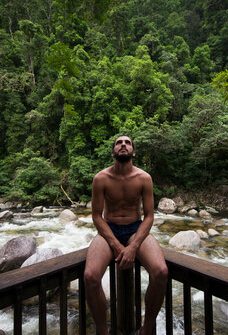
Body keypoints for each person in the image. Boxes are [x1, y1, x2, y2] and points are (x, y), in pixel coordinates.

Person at [84, 135, 168, 335]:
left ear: (133, 152)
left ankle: (147, 328)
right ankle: (103, 330)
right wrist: (115, 244)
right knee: (90, 276)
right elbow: (96, 216)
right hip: (109, 228)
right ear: (113, 152)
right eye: (119, 143)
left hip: (135, 228)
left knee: (161, 272)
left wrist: (132, 247)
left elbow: (149, 216)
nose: (123, 145)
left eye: (127, 143)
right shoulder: (101, 178)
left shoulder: (144, 178)